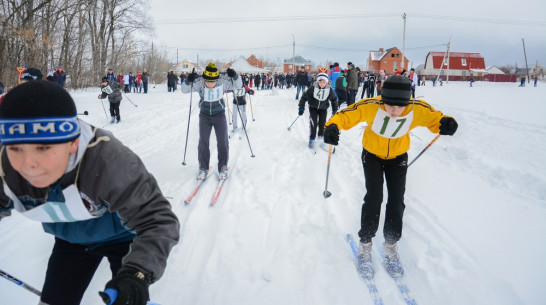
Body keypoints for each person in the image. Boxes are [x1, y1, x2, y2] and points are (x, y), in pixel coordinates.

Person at [0, 81, 179, 305]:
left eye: (44, 148)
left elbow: (157, 220)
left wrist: (137, 274)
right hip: (70, 240)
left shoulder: (107, 160)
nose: (28, 165)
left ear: (73, 143)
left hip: (121, 237)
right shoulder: (5, 166)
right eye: (16, 149)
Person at [322, 75, 457, 278]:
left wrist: (446, 122)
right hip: (372, 156)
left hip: (398, 158)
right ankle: (365, 243)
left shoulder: (416, 108)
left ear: (407, 103)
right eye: (389, 106)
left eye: (399, 108)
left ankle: (391, 244)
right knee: (374, 198)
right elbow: (346, 115)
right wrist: (332, 126)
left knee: (396, 201)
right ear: (382, 99)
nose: (393, 112)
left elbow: (435, 118)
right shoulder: (370, 105)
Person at [181, 62, 242, 180]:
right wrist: (188, 80)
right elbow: (184, 90)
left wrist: (234, 76)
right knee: (203, 142)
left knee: (222, 141)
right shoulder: (199, 83)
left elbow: (238, 85)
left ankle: (223, 166)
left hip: (219, 115)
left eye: (212, 81)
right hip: (204, 116)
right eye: (207, 81)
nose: (210, 84)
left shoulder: (222, 82)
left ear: (216, 79)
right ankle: (203, 167)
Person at [298, 72, 339, 148]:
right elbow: (304, 97)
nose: (322, 83)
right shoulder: (313, 88)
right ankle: (312, 139)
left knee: (322, 123)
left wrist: (334, 110)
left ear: (326, 82)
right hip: (313, 107)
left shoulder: (329, 90)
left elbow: (334, 100)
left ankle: (320, 137)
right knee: (313, 123)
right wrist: (301, 107)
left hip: (323, 109)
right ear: (317, 81)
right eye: (320, 81)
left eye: (324, 82)